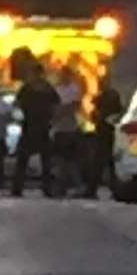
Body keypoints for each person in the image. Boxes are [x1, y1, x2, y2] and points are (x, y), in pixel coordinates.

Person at [11, 62, 59, 198]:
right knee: (46, 161)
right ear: (42, 73)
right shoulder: (48, 88)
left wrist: (23, 114)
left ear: (33, 73)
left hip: (29, 126)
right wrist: (51, 118)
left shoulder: (27, 87)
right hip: (43, 126)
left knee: (22, 160)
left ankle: (17, 188)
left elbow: (17, 103)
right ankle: (47, 188)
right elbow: (56, 104)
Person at [51, 65, 85, 199]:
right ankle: (62, 187)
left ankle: (77, 185)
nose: (63, 76)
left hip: (70, 128)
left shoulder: (74, 89)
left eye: (65, 74)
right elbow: (53, 108)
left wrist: (63, 110)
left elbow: (75, 106)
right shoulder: (57, 90)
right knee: (60, 160)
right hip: (59, 129)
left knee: (70, 160)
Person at [89, 77, 124, 199]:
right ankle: (109, 190)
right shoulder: (103, 96)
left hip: (107, 132)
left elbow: (117, 111)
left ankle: (94, 190)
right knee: (106, 163)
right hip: (104, 132)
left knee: (102, 162)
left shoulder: (110, 96)